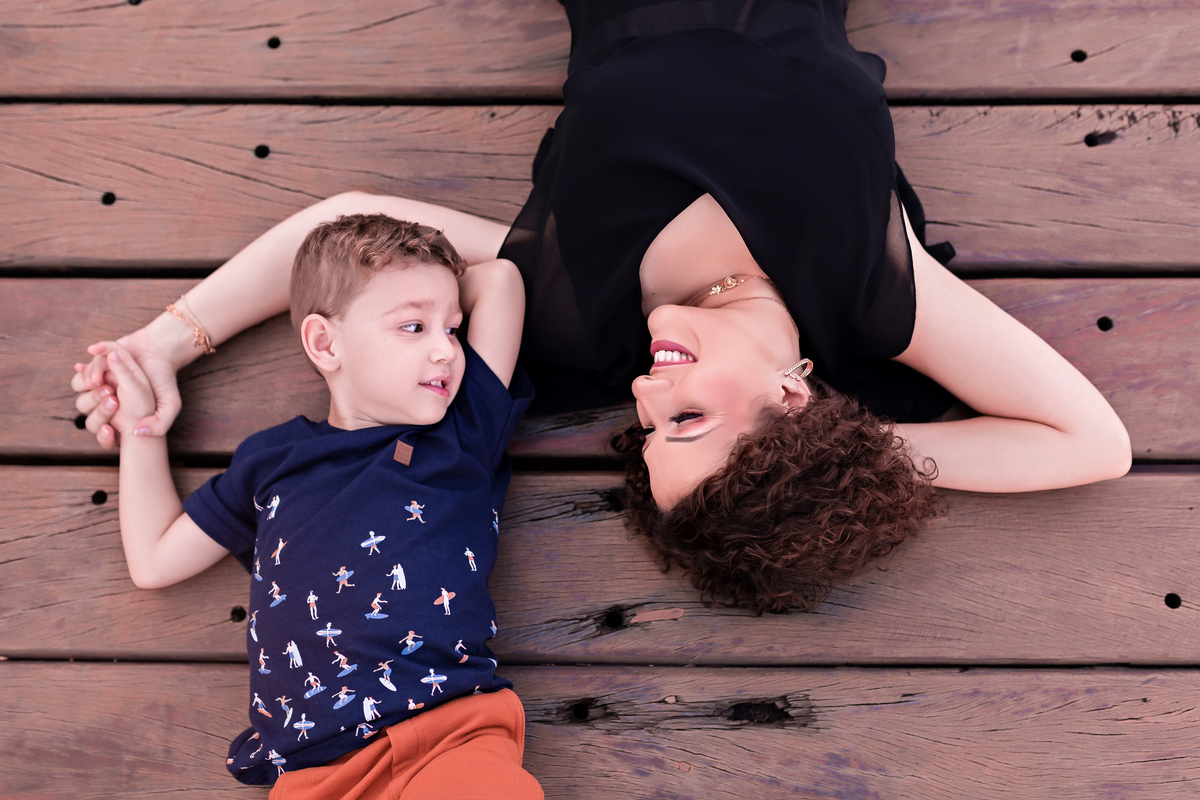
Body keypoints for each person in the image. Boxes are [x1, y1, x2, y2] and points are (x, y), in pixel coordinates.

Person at [73, 0, 1130, 616]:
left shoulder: (576, 311)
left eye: (648, 426)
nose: (644, 390)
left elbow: (347, 224)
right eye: (688, 420)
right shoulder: (867, 291)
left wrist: (164, 344)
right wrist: (844, 455)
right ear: (795, 405)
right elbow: (1094, 443)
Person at [91, 215, 541, 796]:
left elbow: (501, 278)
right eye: (412, 326)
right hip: (313, 772)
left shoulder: (461, 432)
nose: (445, 351)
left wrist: (426, 286)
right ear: (325, 343)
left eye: (453, 329)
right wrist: (141, 429)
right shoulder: (273, 461)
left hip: (449, 735)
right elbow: (153, 559)